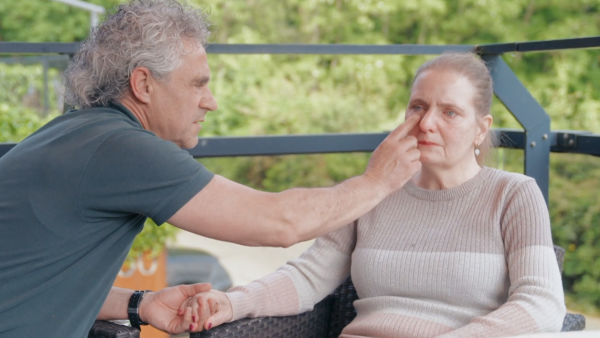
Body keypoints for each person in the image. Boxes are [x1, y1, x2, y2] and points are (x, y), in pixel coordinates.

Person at [0, 0, 422, 337]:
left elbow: (34, 279)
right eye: (198, 84)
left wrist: (139, 304)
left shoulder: (78, 132)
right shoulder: (122, 148)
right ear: (144, 85)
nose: (211, 101)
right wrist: (377, 181)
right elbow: (278, 223)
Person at [185, 53, 567, 338]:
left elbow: (541, 302)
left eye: (450, 113)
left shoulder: (513, 195)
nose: (427, 123)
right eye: (418, 107)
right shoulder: (376, 188)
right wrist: (235, 302)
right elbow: (306, 277)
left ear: (481, 129)